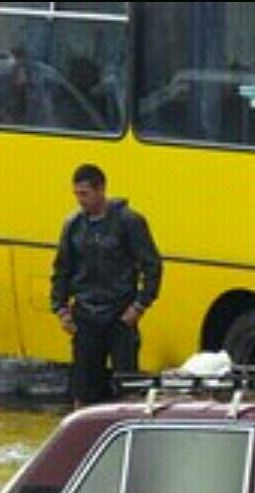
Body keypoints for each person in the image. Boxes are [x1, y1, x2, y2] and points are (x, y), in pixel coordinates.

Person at [50, 163, 162, 406]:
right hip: (85, 313)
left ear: (101, 190)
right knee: (83, 385)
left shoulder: (129, 221)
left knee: (126, 384)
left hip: (120, 313)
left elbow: (151, 264)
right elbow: (62, 268)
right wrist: (60, 308)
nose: (81, 201)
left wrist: (140, 305)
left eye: (85, 194)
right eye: (77, 194)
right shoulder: (73, 225)